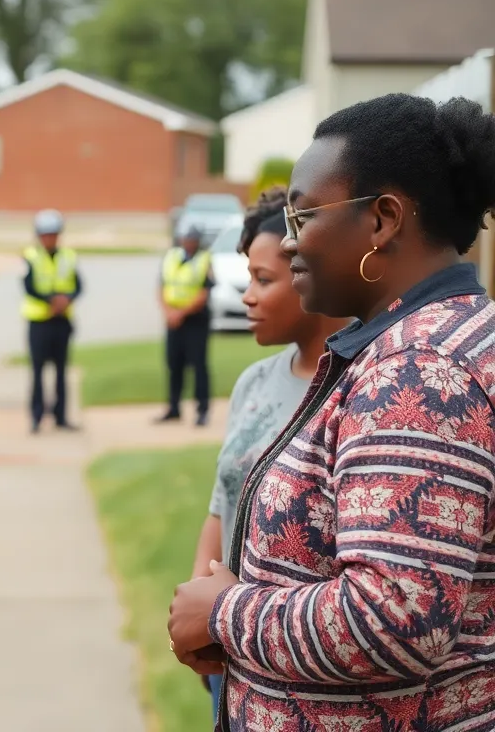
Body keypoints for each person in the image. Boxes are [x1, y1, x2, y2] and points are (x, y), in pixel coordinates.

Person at [168, 93, 495, 730]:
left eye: (305, 215)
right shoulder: (438, 338)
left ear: (382, 221)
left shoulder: (420, 371)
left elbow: (397, 618)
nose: (289, 244)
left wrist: (227, 612)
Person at [186, 187, 350, 721]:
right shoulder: (253, 383)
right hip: (226, 646)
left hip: (298, 666)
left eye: (264, 279)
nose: (247, 297)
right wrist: (195, 616)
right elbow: (221, 503)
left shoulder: (359, 393)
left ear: (307, 273)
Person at [21, 208, 82, 433]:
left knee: (61, 371)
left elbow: (78, 285)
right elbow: (27, 287)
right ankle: (37, 416)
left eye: (53, 234)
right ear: (38, 236)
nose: (49, 238)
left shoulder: (69, 256)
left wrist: (67, 300)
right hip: (39, 321)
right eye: (45, 234)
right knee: (37, 371)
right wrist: (50, 300)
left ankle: (61, 416)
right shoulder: (30, 256)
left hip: (62, 321)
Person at [157, 226, 214, 426]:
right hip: (173, 320)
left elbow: (203, 293)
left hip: (195, 320)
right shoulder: (171, 257)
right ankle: (173, 408)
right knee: (174, 364)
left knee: (198, 365)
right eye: (186, 238)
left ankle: (202, 410)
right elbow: (162, 286)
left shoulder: (204, 260)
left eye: (192, 239)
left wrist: (181, 313)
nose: (188, 242)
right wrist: (168, 313)